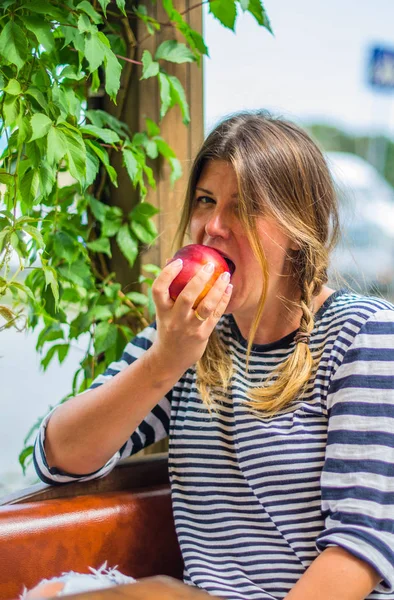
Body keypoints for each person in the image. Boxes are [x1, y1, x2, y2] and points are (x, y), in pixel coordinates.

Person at [31, 110, 394, 600]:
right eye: (205, 201)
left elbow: (359, 548)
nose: (213, 227)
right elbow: (59, 457)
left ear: (299, 227)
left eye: (244, 208)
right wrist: (165, 361)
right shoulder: (187, 337)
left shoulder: (364, 333)